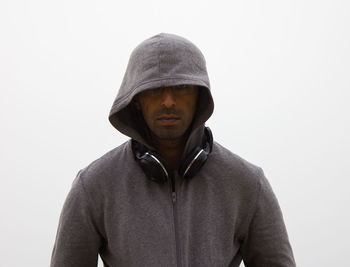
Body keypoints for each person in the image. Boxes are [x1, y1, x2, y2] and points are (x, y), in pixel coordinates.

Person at [51, 33, 296, 267]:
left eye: (181, 88)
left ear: (199, 94)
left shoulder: (248, 184)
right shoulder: (93, 186)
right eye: (155, 89)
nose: (168, 101)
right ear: (136, 99)